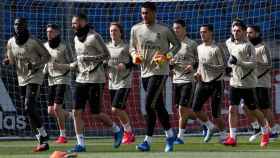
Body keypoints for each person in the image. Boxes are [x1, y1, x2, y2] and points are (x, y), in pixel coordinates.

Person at [129, 1, 181, 152]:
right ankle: (170, 135)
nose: (144, 16)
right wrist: (134, 56)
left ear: (154, 13)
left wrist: (166, 56)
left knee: (148, 105)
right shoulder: (135, 29)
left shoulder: (164, 30)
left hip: (160, 71)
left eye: (147, 13)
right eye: (142, 13)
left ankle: (147, 141)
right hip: (144, 71)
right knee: (158, 106)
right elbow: (132, 47)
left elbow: (177, 46)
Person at [69, 13, 123, 152]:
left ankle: (117, 130)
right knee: (76, 112)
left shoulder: (94, 37)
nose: (73, 25)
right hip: (81, 78)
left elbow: (106, 55)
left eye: (75, 23)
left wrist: (89, 58)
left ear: (84, 22)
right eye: (72, 23)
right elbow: (80, 58)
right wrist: (75, 63)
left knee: (96, 113)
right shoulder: (75, 38)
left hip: (96, 80)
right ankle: (80, 144)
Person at [3, 17, 50, 152]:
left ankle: (44, 135)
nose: (17, 27)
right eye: (15, 24)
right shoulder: (11, 42)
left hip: (35, 76)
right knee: (27, 110)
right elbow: (11, 59)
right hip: (21, 78)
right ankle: (41, 140)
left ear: (25, 26)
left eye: (20, 24)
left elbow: (47, 56)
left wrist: (35, 65)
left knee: (29, 106)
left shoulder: (33, 42)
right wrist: (7, 61)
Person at [223, 22, 270, 147]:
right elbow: (230, 51)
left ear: (244, 32)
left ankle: (265, 131)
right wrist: (229, 66)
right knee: (232, 109)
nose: (235, 33)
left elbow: (253, 64)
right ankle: (232, 137)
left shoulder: (249, 46)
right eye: (234, 30)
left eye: (238, 30)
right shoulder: (231, 44)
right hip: (234, 83)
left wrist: (238, 62)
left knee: (254, 110)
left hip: (247, 84)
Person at [192, 24, 227, 143]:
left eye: (205, 32)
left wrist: (209, 66)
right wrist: (197, 73)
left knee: (216, 114)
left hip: (216, 83)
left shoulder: (217, 48)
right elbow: (201, 65)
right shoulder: (199, 47)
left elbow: (223, 67)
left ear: (211, 33)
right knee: (195, 108)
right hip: (202, 82)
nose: (202, 34)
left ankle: (223, 135)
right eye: (201, 32)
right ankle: (210, 127)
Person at [246, 25, 278, 141]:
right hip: (249, 82)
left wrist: (255, 62)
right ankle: (257, 128)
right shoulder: (247, 47)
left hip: (261, 82)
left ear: (257, 34)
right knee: (245, 106)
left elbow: (268, 65)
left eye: (251, 33)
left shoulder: (263, 47)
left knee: (265, 108)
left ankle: (274, 130)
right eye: (247, 33)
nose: (248, 35)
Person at [170, 19, 200, 144]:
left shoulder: (192, 44)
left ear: (184, 29)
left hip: (188, 80)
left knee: (182, 109)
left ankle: (180, 136)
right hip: (176, 79)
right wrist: (170, 64)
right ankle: (206, 123)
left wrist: (193, 67)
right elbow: (168, 62)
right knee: (183, 110)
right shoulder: (171, 45)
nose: (175, 30)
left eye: (178, 28)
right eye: (174, 28)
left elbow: (199, 61)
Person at [43, 24, 73, 144]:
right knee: (50, 111)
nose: (48, 34)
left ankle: (63, 135)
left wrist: (60, 66)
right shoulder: (45, 46)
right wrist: (43, 71)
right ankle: (71, 115)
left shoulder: (65, 46)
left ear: (57, 32)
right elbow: (45, 61)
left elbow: (73, 63)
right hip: (51, 79)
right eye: (47, 32)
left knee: (57, 108)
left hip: (63, 78)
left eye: (51, 32)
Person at [106, 22, 135, 144]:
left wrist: (126, 65)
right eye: (111, 30)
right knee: (118, 109)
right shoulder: (106, 47)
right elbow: (104, 61)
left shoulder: (126, 47)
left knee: (115, 109)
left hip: (124, 81)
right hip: (112, 81)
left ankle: (128, 132)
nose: (113, 32)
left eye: (115, 30)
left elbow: (135, 61)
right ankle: (128, 133)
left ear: (120, 32)